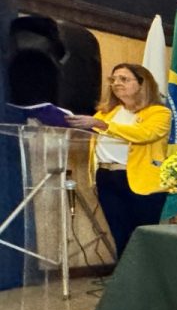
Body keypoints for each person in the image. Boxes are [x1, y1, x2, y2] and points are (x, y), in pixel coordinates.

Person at [67, 63, 170, 259]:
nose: (116, 83)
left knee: (143, 236)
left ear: (142, 84)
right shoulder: (106, 113)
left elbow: (144, 134)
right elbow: (88, 134)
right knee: (119, 235)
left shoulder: (159, 113)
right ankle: (125, 276)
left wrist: (103, 125)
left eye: (124, 79)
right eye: (113, 79)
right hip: (106, 177)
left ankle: (145, 276)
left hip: (140, 181)